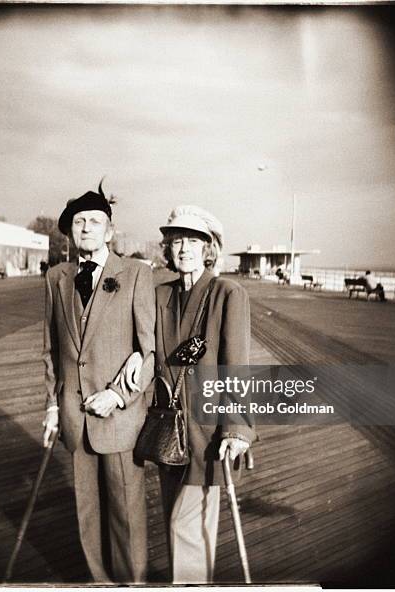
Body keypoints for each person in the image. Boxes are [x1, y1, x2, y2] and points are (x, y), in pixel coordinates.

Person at [41, 181, 155, 583]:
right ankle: (100, 583)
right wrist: (53, 406)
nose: (86, 228)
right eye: (79, 222)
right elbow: (52, 350)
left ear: (110, 231)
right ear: (70, 231)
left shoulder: (138, 274)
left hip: (119, 420)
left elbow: (150, 351)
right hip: (75, 417)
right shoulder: (56, 278)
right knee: (87, 514)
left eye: (95, 221)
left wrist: (119, 396)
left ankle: (133, 584)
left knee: (126, 514)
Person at [154, 205, 256, 584]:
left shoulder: (228, 292)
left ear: (208, 248)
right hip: (167, 430)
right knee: (176, 524)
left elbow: (237, 366)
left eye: (192, 241)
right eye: (176, 241)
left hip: (208, 433)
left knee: (188, 526)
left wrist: (236, 429)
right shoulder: (161, 294)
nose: (182, 249)